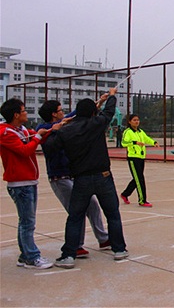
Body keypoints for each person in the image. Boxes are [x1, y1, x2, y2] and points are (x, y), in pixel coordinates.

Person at [44, 88, 128, 269]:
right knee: (112, 214)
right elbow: (109, 112)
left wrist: (54, 130)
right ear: (92, 112)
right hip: (103, 177)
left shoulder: (66, 131)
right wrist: (112, 96)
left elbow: (49, 148)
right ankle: (119, 249)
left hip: (80, 179)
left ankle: (68, 256)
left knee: (75, 217)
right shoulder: (96, 123)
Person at [37, 100, 110, 257]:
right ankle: (76, 245)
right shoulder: (43, 129)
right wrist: (59, 126)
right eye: (60, 110)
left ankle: (103, 239)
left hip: (71, 175)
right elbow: (47, 132)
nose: (63, 112)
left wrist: (99, 102)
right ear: (53, 114)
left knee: (92, 205)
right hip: (58, 178)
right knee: (76, 210)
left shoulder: (65, 125)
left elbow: (75, 115)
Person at [0, 98, 59, 269]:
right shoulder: (6, 133)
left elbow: (39, 134)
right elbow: (25, 151)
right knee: (27, 222)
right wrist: (39, 135)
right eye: (24, 110)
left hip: (29, 181)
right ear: (16, 114)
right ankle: (31, 257)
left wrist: (51, 129)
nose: (26, 113)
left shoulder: (21, 129)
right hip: (20, 184)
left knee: (26, 222)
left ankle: (25, 255)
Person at [120, 114, 159, 207]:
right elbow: (124, 143)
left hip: (141, 157)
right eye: (134, 120)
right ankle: (142, 200)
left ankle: (125, 194)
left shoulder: (140, 132)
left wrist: (154, 142)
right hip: (133, 158)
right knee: (140, 179)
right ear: (129, 122)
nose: (136, 121)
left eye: (137, 120)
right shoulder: (127, 132)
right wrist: (134, 142)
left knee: (137, 178)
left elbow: (146, 138)